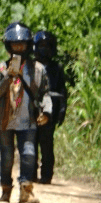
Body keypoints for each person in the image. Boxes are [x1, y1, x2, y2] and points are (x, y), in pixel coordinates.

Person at [2, 22, 53, 203]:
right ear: (8, 46)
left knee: (29, 153)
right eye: (15, 45)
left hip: (28, 119)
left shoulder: (38, 69)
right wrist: (8, 76)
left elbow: (44, 93)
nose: (18, 48)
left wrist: (47, 111)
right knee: (7, 156)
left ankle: (26, 189)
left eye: (21, 45)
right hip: (5, 120)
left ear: (27, 45)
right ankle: (6, 189)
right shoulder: (1, 68)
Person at [32, 29, 67, 185]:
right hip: (32, 109)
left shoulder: (56, 68)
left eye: (47, 45)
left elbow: (62, 90)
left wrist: (62, 110)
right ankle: (31, 173)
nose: (44, 49)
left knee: (47, 144)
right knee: (30, 143)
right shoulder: (30, 66)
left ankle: (46, 175)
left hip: (50, 112)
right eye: (41, 45)